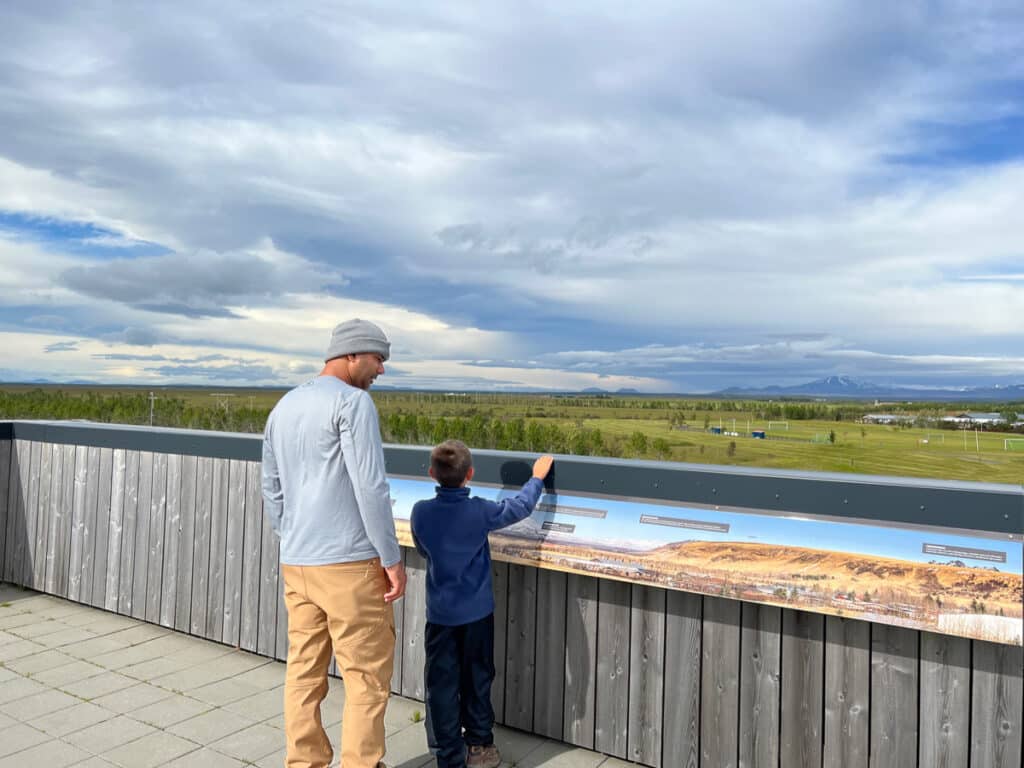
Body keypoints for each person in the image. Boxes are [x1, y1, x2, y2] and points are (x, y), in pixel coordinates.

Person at [262, 318, 407, 768]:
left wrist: (292, 536)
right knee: (366, 678)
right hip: (350, 566)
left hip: (298, 563)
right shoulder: (353, 403)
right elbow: (370, 485)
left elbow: (271, 485)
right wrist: (391, 557)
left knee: (304, 672)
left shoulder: (284, 405)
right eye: (378, 359)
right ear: (351, 355)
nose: (381, 370)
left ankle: (304, 763)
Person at [410, 440, 553, 768]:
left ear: (432, 473)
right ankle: (479, 745)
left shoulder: (421, 511)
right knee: (478, 677)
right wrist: (537, 478)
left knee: (442, 684)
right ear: (470, 474)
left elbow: (423, 550)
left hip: (441, 616)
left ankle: (448, 754)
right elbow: (520, 507)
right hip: (477, 615)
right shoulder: (480, 511)